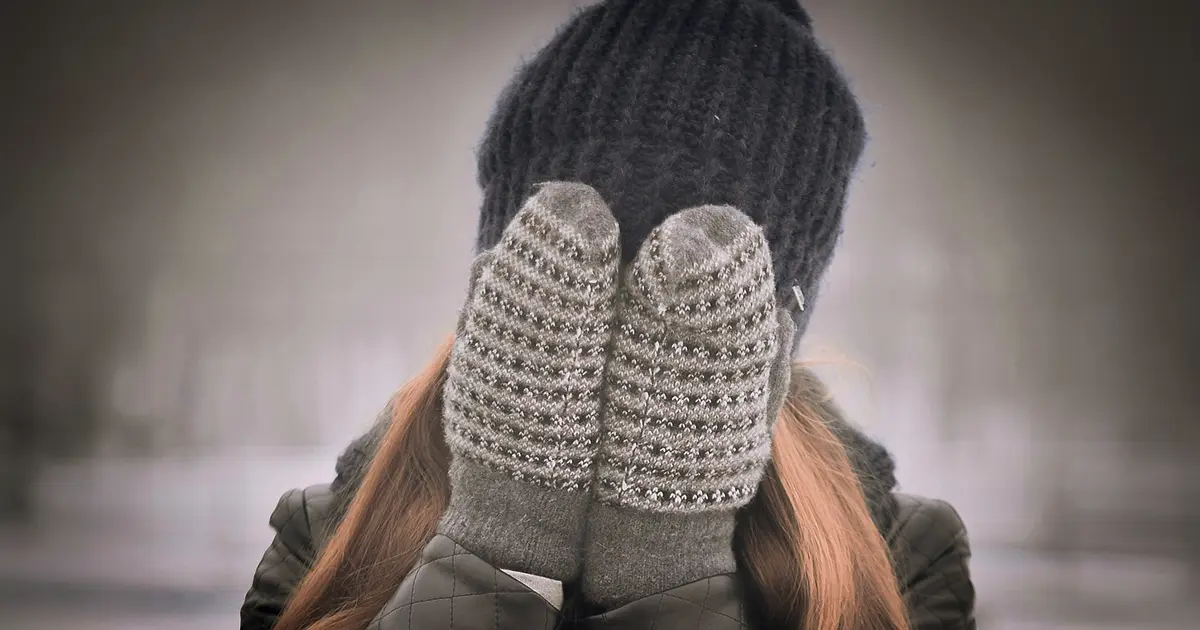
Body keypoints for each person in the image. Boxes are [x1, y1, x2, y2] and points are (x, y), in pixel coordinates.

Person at [240, 1, 976, 628]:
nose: (629, 314)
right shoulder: (330, 535)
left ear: (771, 333)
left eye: (695, 287)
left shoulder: (903, 559)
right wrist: (497, 546)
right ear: (504, 283)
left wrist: (670, 567)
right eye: (582, 265)